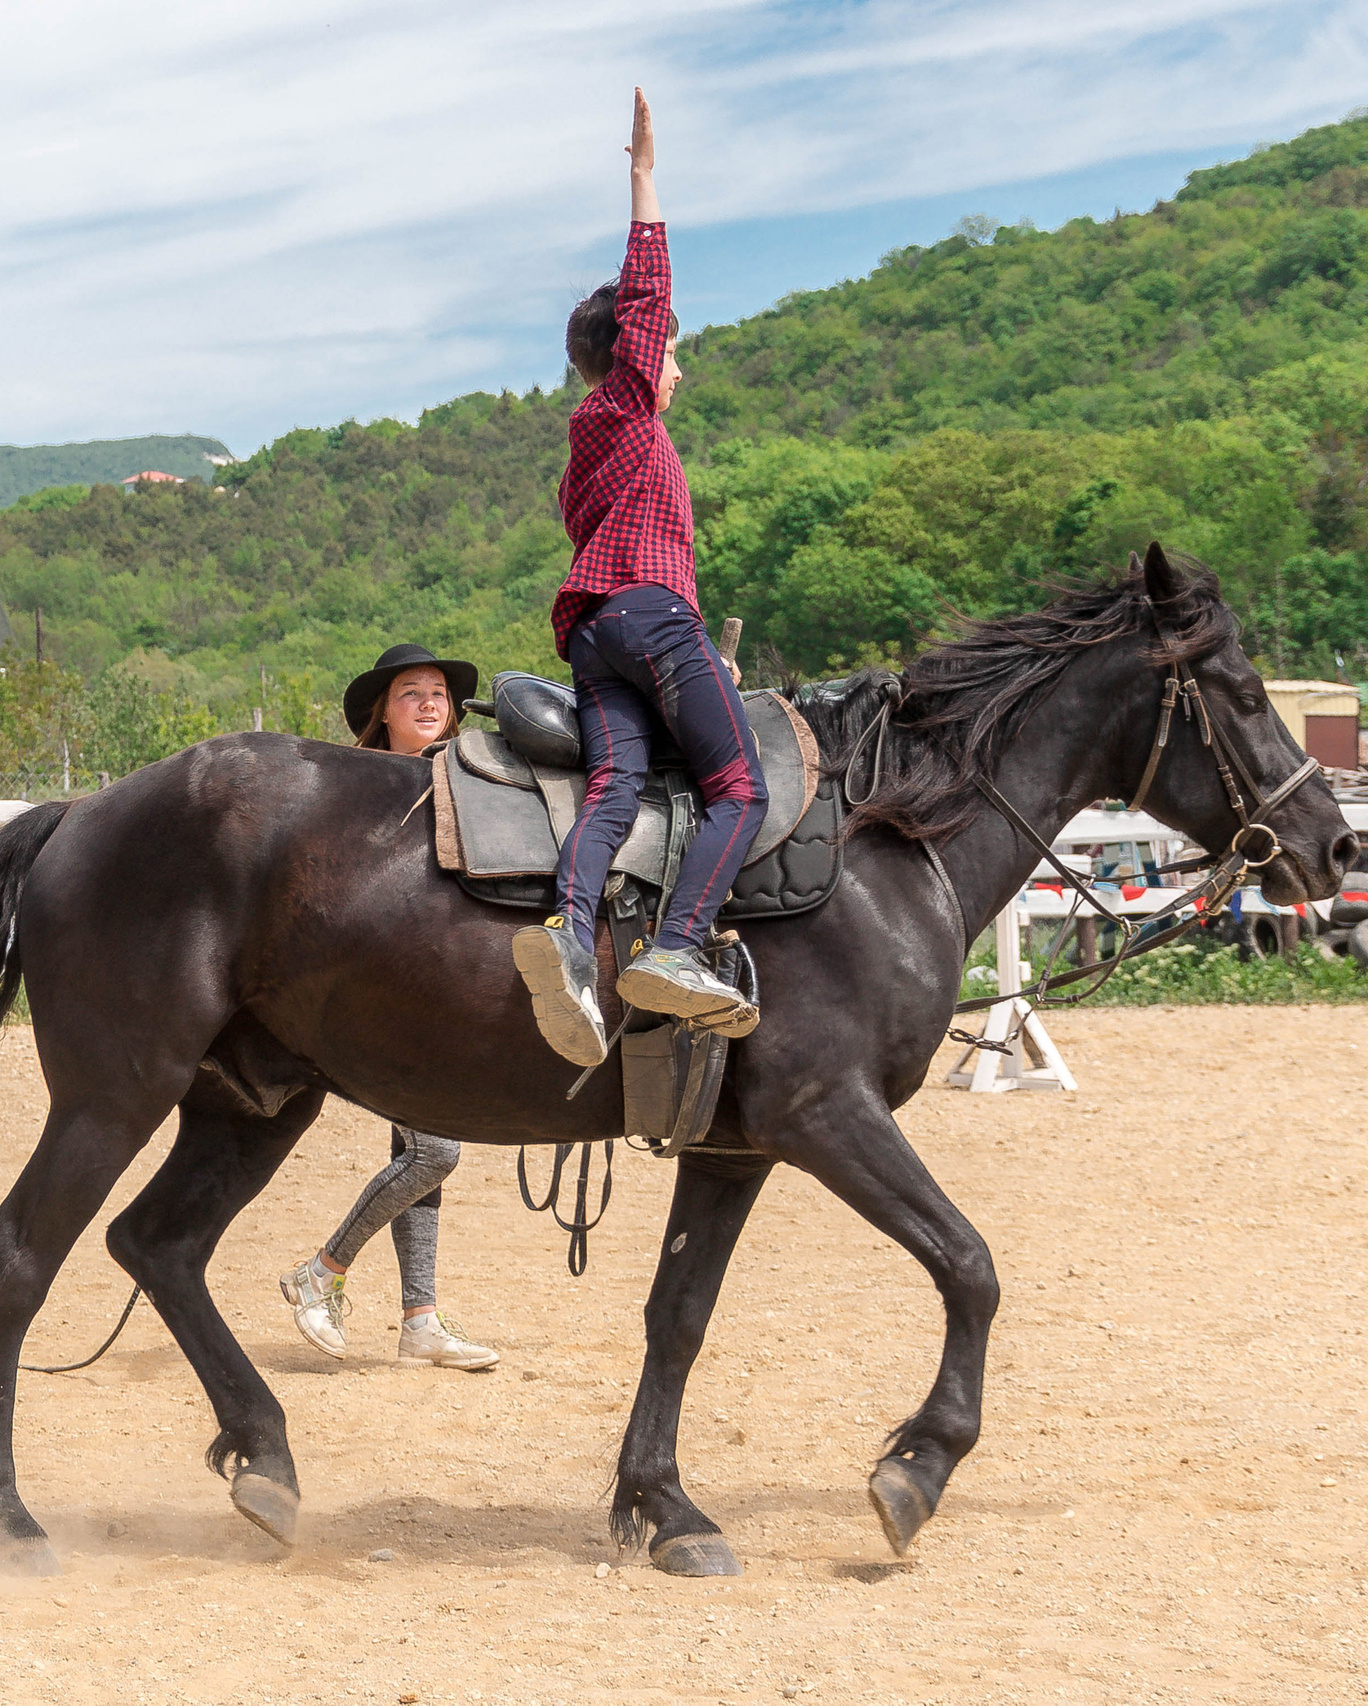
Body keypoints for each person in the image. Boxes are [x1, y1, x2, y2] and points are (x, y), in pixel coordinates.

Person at [510, 86, 767, 1068]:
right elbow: (650, 294)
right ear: (630, 355)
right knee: (738, 787)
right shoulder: (626, 408)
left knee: (615, 783)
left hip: (596, 635)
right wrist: (643, 175)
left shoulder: (587, 445)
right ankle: (676, 946)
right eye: (663, 352)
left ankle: (571, 935)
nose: (674, 365)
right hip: (652, 620)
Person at [276, 643, 500, 1370]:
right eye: (412, 693)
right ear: (383, 713)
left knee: (420, 1157)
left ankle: (420, 1320)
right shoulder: (359, 795)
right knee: (437, 1149)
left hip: (440, 993)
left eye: (440, 692)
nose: (432, 703)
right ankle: (322, 1271)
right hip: (384, 994)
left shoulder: (466, 778)